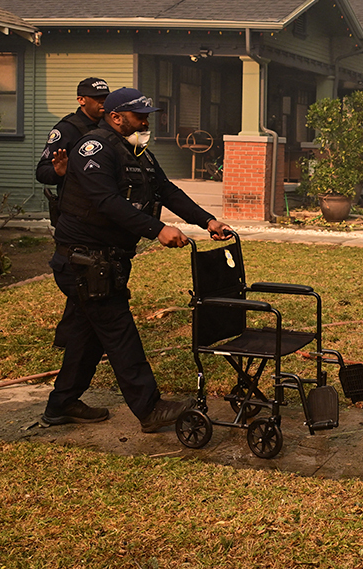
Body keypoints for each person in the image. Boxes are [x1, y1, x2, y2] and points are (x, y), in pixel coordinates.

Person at [42, 87, 234, 434]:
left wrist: (207, 220)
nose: (145, 121)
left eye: (147, 115)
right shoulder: (94, 149)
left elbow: (167, 190)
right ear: (115, 117)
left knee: (90, 334)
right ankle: (150, 408)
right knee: (119, 332)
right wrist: (157, 229)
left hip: (106, 261)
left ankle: (61, 404)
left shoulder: (137, 151)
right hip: (83, 262)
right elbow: (106, 202)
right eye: (138, 115)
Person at [36, 77, 110, 226]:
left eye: (106, 97)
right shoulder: (67, 129)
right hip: (77, 215)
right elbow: (42, 171)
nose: (102, 101)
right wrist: (59, 172)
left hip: (105, 210)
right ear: (81, 100)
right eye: (96, 98)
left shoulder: (109, 126)